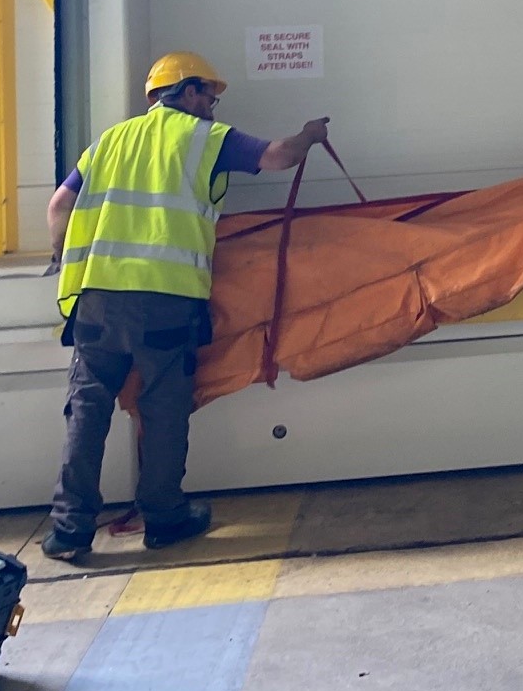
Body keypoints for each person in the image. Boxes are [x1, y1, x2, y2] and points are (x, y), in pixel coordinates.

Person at [40, 51, 329, 561]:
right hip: (164, 302)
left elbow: (59, 205)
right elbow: (279, 156)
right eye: (209, 95)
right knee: (165, 410)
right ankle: (165, 518)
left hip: (96, 301)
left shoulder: (108, 141)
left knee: (87, 411)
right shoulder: (204, 139)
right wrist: (309, 134)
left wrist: (65, 258)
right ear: (187, 91)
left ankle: (69, 529)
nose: (214, 105)